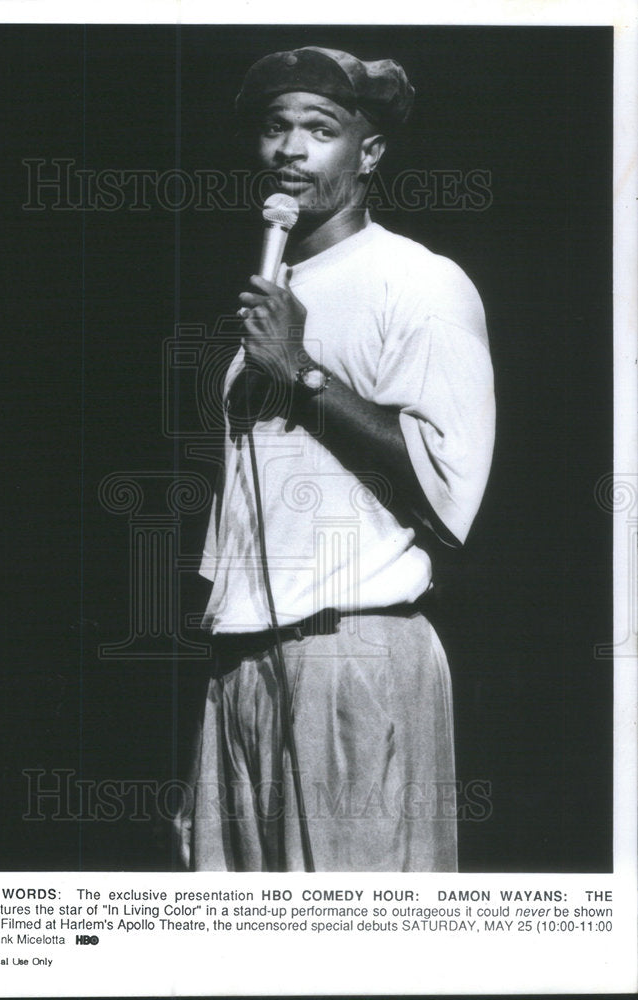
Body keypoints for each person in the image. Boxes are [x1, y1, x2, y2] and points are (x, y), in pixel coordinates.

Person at [177, 46, 495, 872]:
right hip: (242, 662)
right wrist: (220, 706)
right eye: (275, 128)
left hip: (353, 651)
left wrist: (305, 374)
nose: (290, 148)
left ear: (369, 153)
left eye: (319, 129)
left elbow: (444, 496)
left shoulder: (417, 281)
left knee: (355, 948)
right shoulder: (267, 302)